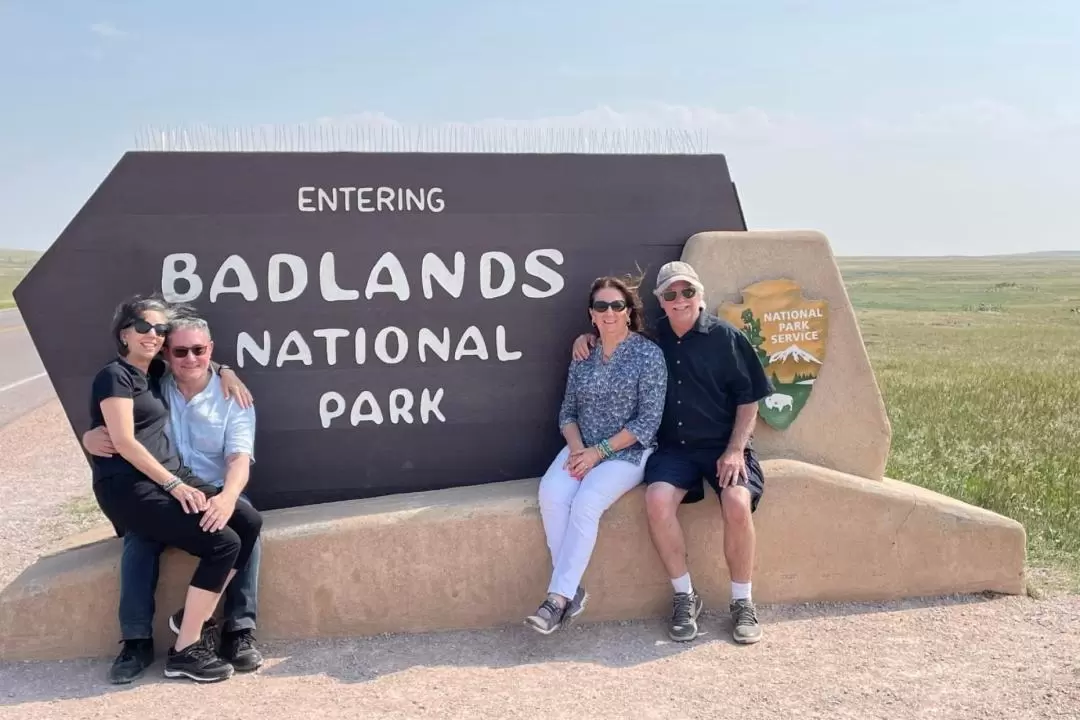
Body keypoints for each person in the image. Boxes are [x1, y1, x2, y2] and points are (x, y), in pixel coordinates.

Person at [572, 261, 773, 644]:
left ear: (700, 295)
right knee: (658, 499)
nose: (680, 300)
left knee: (735, 501)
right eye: (670, 294)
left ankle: (742, 602)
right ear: (661, 302)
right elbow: (612, 335)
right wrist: (588, 338)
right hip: (674, 449)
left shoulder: (726, 338)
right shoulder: (650, 339)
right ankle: (684, 595)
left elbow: (750, 401)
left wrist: (734, 450)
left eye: (687, 292)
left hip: (722, 446)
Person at [87, 294, 263, 683]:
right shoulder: (153, 380)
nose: (189, 358)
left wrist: (226, 497)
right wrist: (89, 437)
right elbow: (120, 426)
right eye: (179, 351)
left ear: (210, 350)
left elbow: (238, 460)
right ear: (167, 354)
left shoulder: (232, 395)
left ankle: (236, 630)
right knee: (143, 537)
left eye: (199, 351)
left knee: (247, 520)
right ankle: (137, 642)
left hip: (211, 486)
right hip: (159, 486)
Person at [526, 275, 667, 634]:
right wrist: (577, 450)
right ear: (592, 313)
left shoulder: (648, 355)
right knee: (552, 493)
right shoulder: (584, 354)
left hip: (626, 454)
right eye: (601, 306)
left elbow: (646, 422)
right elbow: (567, 412)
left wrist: (598, 453)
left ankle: (556, 599)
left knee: (586, 501)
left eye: (616, 305)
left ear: (628, 311)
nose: (609, 312)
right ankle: (571, 591)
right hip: (581, 447)